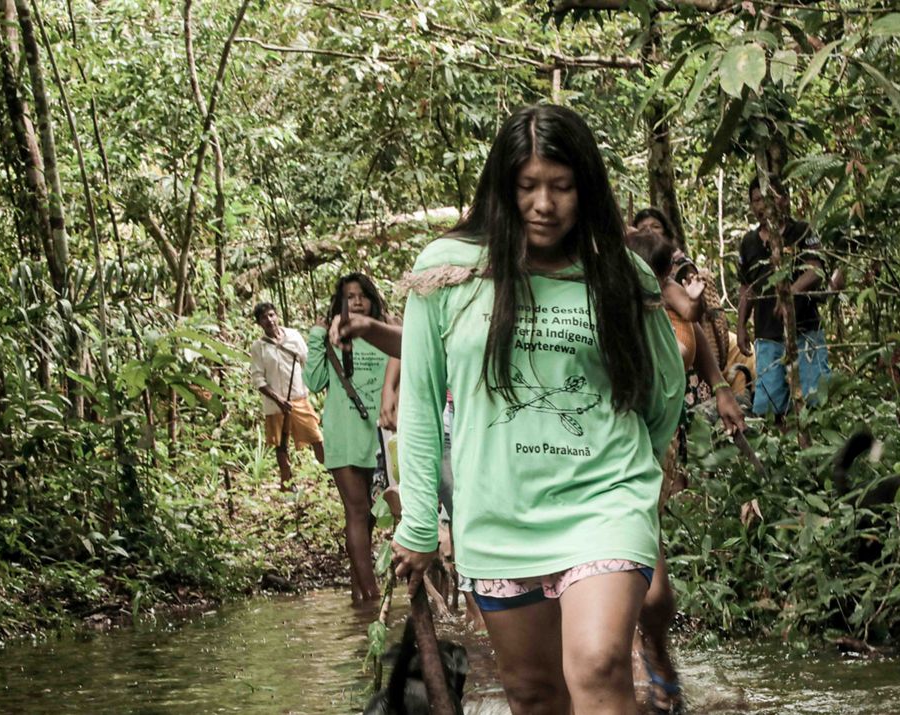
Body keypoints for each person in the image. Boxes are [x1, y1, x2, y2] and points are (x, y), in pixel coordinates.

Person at [391, 105, 685, 715]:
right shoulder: (447, 271)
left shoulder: (621, 274)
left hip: (603, 498)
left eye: (561, 186)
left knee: (598, 665)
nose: (543, 204)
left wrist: (634, 472)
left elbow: (663, 392)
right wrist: (419, 524)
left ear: (587, 188)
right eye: (527, 186)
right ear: (503, 188)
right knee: (533, 694)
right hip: (499, 514)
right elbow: (419, 399)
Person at [625, 225, 745, 714]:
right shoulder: (602, 293)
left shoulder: (662, 301)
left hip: (654, 450)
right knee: (643, 590)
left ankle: (654, 659)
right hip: (609, 454)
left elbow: (693, 321)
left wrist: (721, 388)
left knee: (657, 599)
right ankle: (636, 673)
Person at [304, 273, 391, 605]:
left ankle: (359, 594)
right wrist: (317, 334)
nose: (356, 302)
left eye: (362, 295)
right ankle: (372, 597)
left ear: (372, 299)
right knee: (357, 511)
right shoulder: (332, 336)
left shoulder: (384, 334)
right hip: (344, 433)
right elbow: (314, 382)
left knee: (371, 515)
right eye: (349, 296)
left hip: (380, 434)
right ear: (340, 303)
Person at [737, 178, 831, 422]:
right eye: (756, 200)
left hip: (805, 330)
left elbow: (816, 269)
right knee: (769, 406)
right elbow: (747, 287)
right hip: (768, 334)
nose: (761, 205)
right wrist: (741, 326)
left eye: (768, 198)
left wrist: (790, 292)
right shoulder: (749, 243)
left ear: (784, 200)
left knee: (815, 400)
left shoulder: (800, 231)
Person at [248, 302, 324, 490]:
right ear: (259, 323)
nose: (269, 320)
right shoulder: (258, 347)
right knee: (281, 445)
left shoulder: (293, 336)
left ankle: (329, 474)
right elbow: (257, 378)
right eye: (264, 318)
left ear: (277, 316)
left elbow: (308, 361)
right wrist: (278, 400)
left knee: (316, 437)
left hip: (299, 398)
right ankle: (287, 483)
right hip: (275, 404)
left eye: (271, 315)